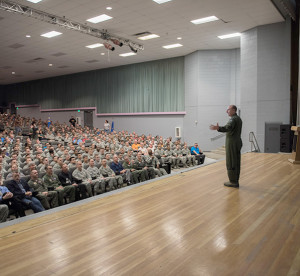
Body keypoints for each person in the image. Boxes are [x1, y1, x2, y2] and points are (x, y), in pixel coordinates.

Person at [210, 105, 243, 188]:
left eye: (228, 109)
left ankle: (233, 181)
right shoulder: (238, 119)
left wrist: (218, 128)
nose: (226, 111)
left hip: (232, 143)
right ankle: (235, 180)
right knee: (236, 161)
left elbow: (227, 127)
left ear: (234, 110)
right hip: (236, 142)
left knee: (231, 161)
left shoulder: (233, 119)